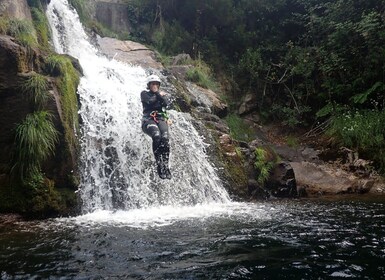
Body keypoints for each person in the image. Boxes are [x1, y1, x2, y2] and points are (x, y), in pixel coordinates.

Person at [141, 74, 172, 179]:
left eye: (156, 84)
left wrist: (160, 95)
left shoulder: (162, 95)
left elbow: (166, 104)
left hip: (160, 119)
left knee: (165, 139)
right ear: (149, 85)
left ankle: (166, 166)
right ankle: (159, 165)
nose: (154, 86)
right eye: (152, 84)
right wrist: (158, 94)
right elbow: (150, 102)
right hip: (148, 120)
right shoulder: (144, 94)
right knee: (157, 136)